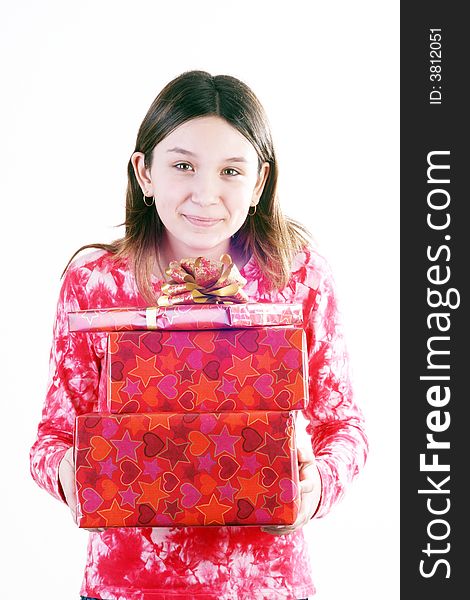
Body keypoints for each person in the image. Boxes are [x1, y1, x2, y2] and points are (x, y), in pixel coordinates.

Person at [30, 70, 368, 600]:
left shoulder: (299, 277)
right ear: (144, 172)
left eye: (231, 170)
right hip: (128, 585)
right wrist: (67, 474)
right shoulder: (95, 283)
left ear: (258, 182)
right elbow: (52, 436)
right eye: (183, 165)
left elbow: (342, 425)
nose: (204, 194)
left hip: (264, 585)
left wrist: (316, 486)